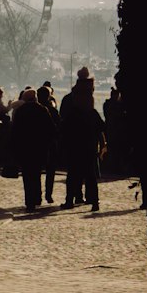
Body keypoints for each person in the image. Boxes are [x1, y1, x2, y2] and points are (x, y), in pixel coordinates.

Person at [60, 68, 106, 210]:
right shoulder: (92, 113)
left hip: (74, 147)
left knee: (73, 175)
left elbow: (63, 128)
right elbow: (101, 129)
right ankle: (94, 201)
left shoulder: (71, 112)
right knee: (90, 176)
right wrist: (102, 144)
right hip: (90, 147)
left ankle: (70, 200)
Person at [9, 86, 56, 210]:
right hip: (39, 147)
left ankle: (29, 200)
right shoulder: (43, 110)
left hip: (24, 148)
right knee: (36, 174)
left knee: (27, 175)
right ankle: (37, 197)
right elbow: (51, 129)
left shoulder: (20, 111)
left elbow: (14, 132)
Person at [36, 84, 61, 203]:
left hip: (37, 144)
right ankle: (48, 194)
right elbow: (58, 127)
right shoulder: (52, 110)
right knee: (50, 171)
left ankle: (37, 195)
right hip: (50, 144)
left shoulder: (34, 109)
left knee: (36, 171)